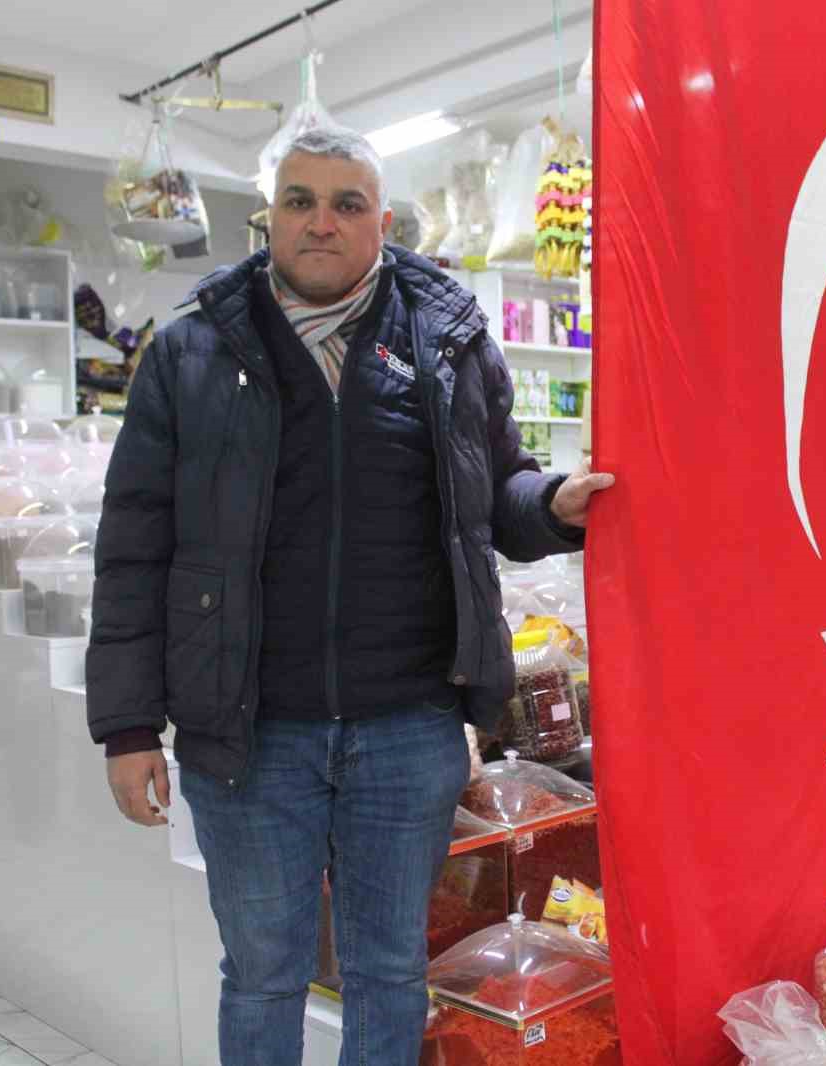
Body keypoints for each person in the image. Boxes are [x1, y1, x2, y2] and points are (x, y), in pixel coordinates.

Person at [86, 124, 613, 1066]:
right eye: (300, 201)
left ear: (383, 223)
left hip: (408, 729)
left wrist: (553, 505)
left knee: (388, 971)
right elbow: (133, 545)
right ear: (270, 217)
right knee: (263, 973)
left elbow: (498, 492)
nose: (320, 222)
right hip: (247, 735)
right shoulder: (191, 351)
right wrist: (127, 727)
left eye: (346, 204)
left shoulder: (448, 341)